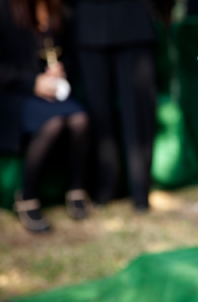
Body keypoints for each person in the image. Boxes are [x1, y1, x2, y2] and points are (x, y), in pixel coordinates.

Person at [0, 0, 91, 233]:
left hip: (51, 91)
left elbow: (70, 53)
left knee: (80, 120)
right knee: (53, 123)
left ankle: (76, 189)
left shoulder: (60, 8)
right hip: (15, 93)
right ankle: (27, 197)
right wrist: (33, 84)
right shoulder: (5, 8)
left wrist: (61, 69)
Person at [74, 0, 157, 212]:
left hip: (132, 20)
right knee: (98, 112)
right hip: (91, 24)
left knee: (137, 113)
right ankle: (106, 188)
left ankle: (139, 190)